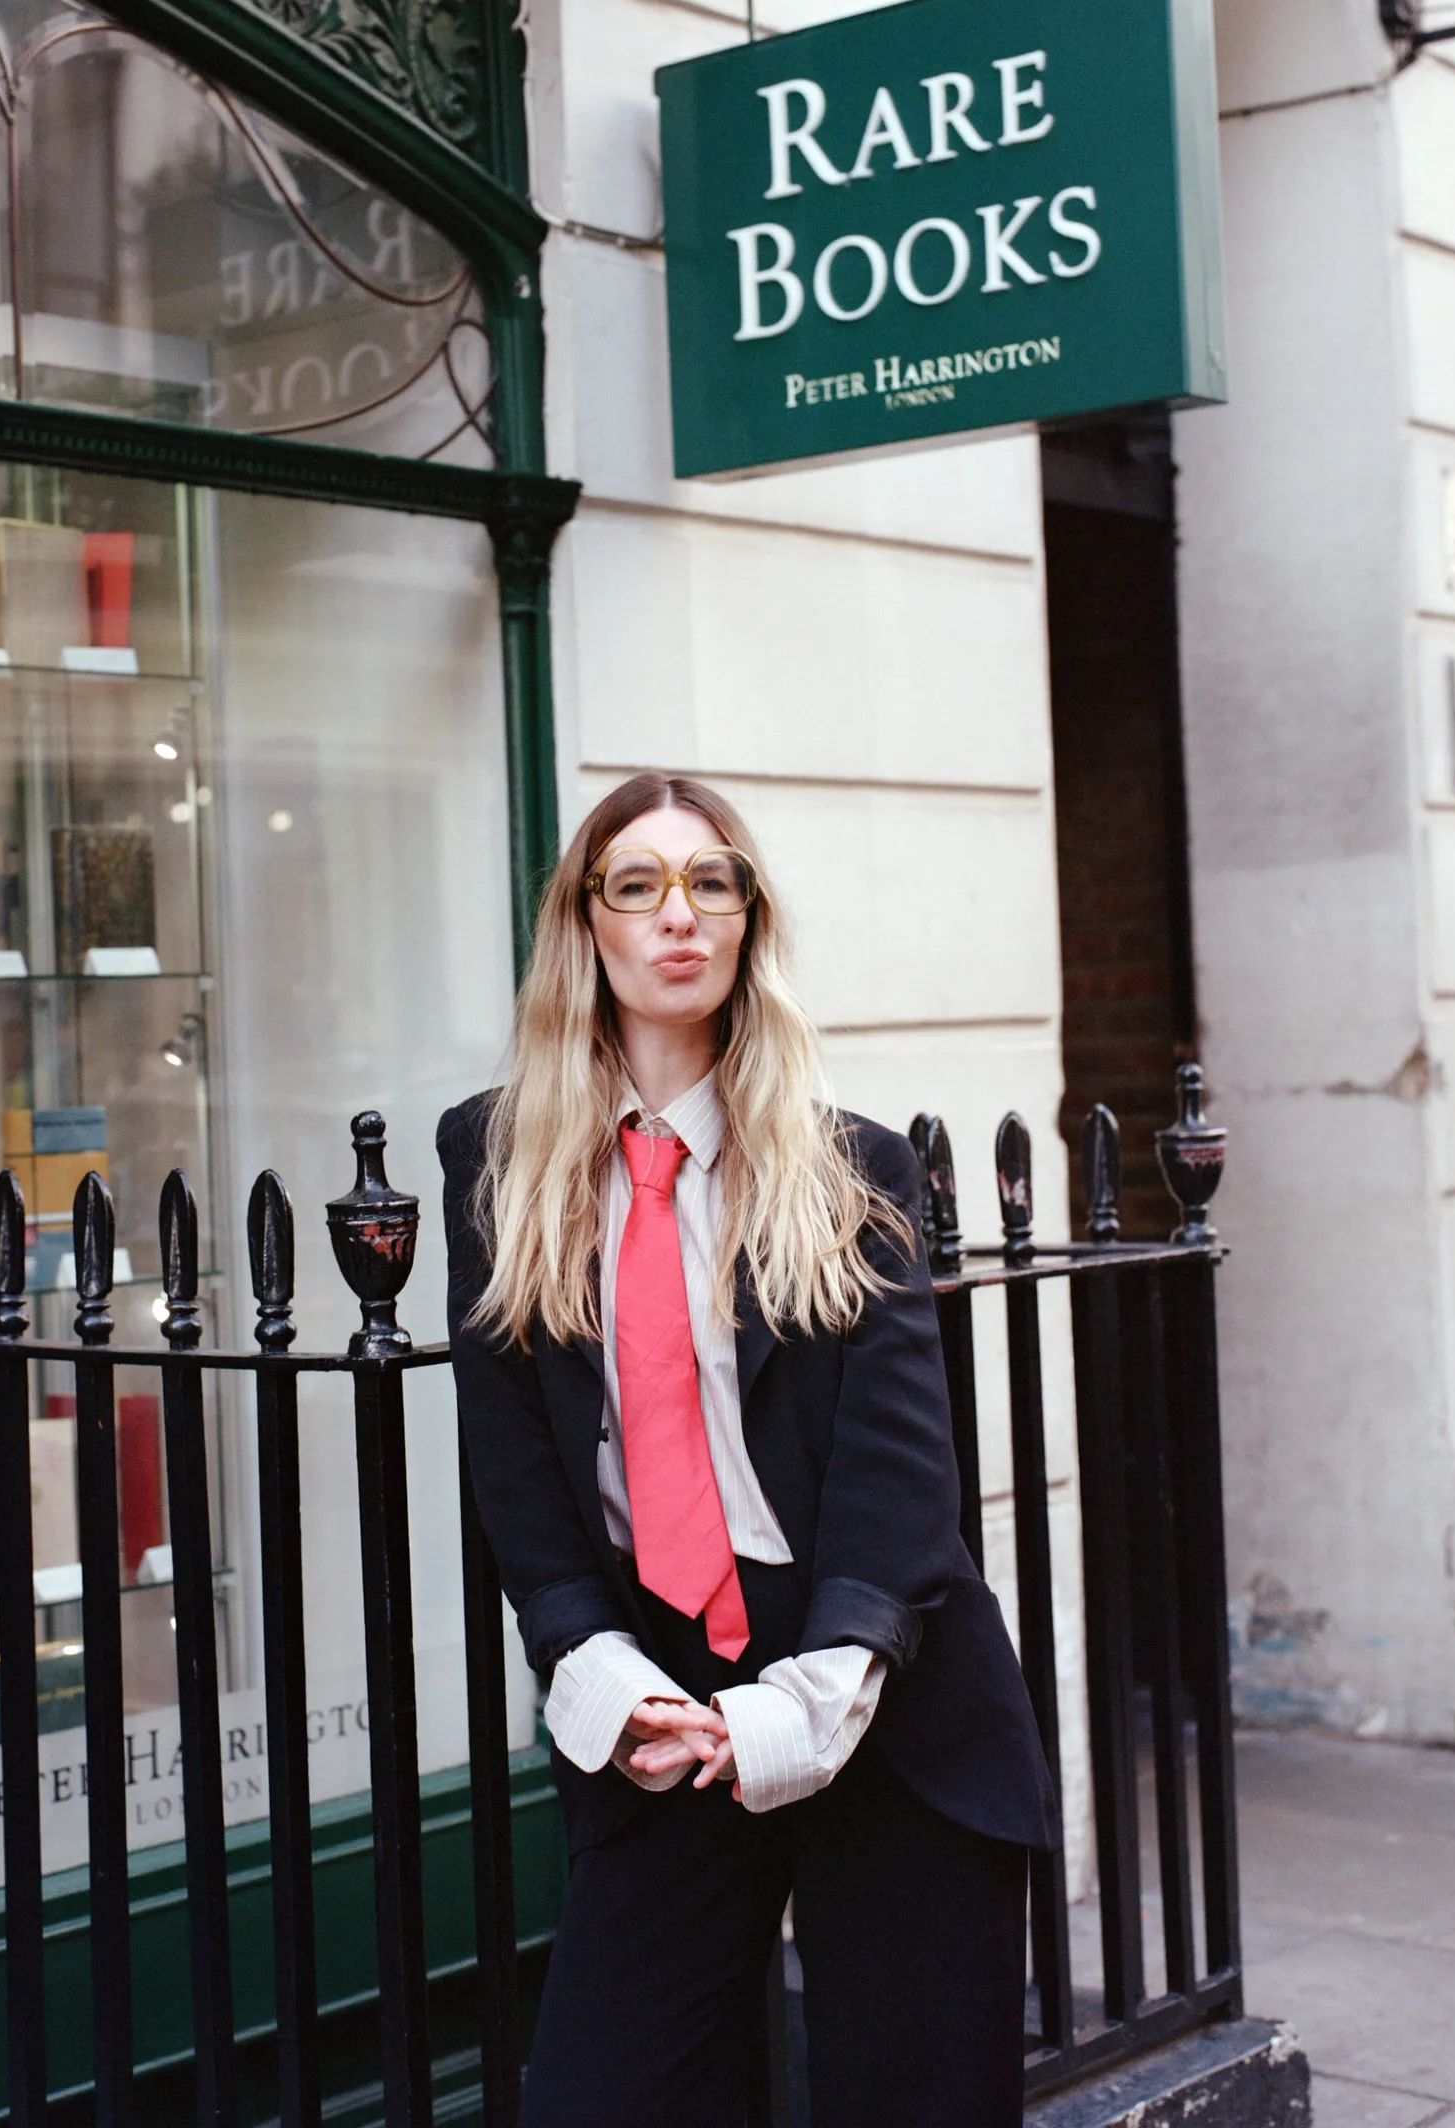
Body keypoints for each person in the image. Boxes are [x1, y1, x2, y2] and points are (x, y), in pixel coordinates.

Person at [439, 771, 1059, 2128]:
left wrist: (796, 1706)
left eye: (711, 884)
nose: (679, 915)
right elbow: (516, 1472)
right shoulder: (496, 1160)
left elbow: (902, 1484)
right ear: (584, 925)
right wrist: (601, 1676)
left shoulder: (851, 1170)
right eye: (638, 885)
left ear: (746, 922)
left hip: (877, 1687)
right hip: (660, 1694)